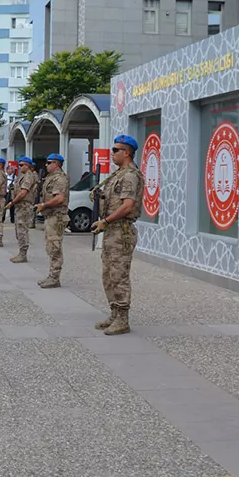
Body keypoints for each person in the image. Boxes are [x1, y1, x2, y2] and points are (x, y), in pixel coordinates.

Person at [90, 134, 145, 336]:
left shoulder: (130, 175)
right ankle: (114, 312)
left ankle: (123, 318)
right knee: (108, 275)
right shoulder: (118, 174)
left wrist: (106, 221)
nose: (112, 154)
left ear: (127, 152)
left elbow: (127, 205)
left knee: (119, 275)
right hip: (112, 231)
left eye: (115, 150)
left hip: (120, 230)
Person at [35, 153, 69, 288]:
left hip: (57, 217)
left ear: (56, 164)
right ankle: (52, 275)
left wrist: (44, 205)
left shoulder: (60, 179)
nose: (46, 165)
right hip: (51, 216)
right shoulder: (51, 178)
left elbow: (59, 198)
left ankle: (54, 278)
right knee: (50, 247)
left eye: (49, 163)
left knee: (55, 248)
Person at [5, 157, 38, 263]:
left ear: (28, 166)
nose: (20, 167)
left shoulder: (29, 176)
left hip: (24, 206)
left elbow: (24, 192)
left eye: (22, 165)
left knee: (22, 230)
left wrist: (13, 202)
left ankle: (23, 254)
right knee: (18, 230)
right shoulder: (22, 176)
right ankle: (21, 253)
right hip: (20, 206)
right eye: (19, 165)